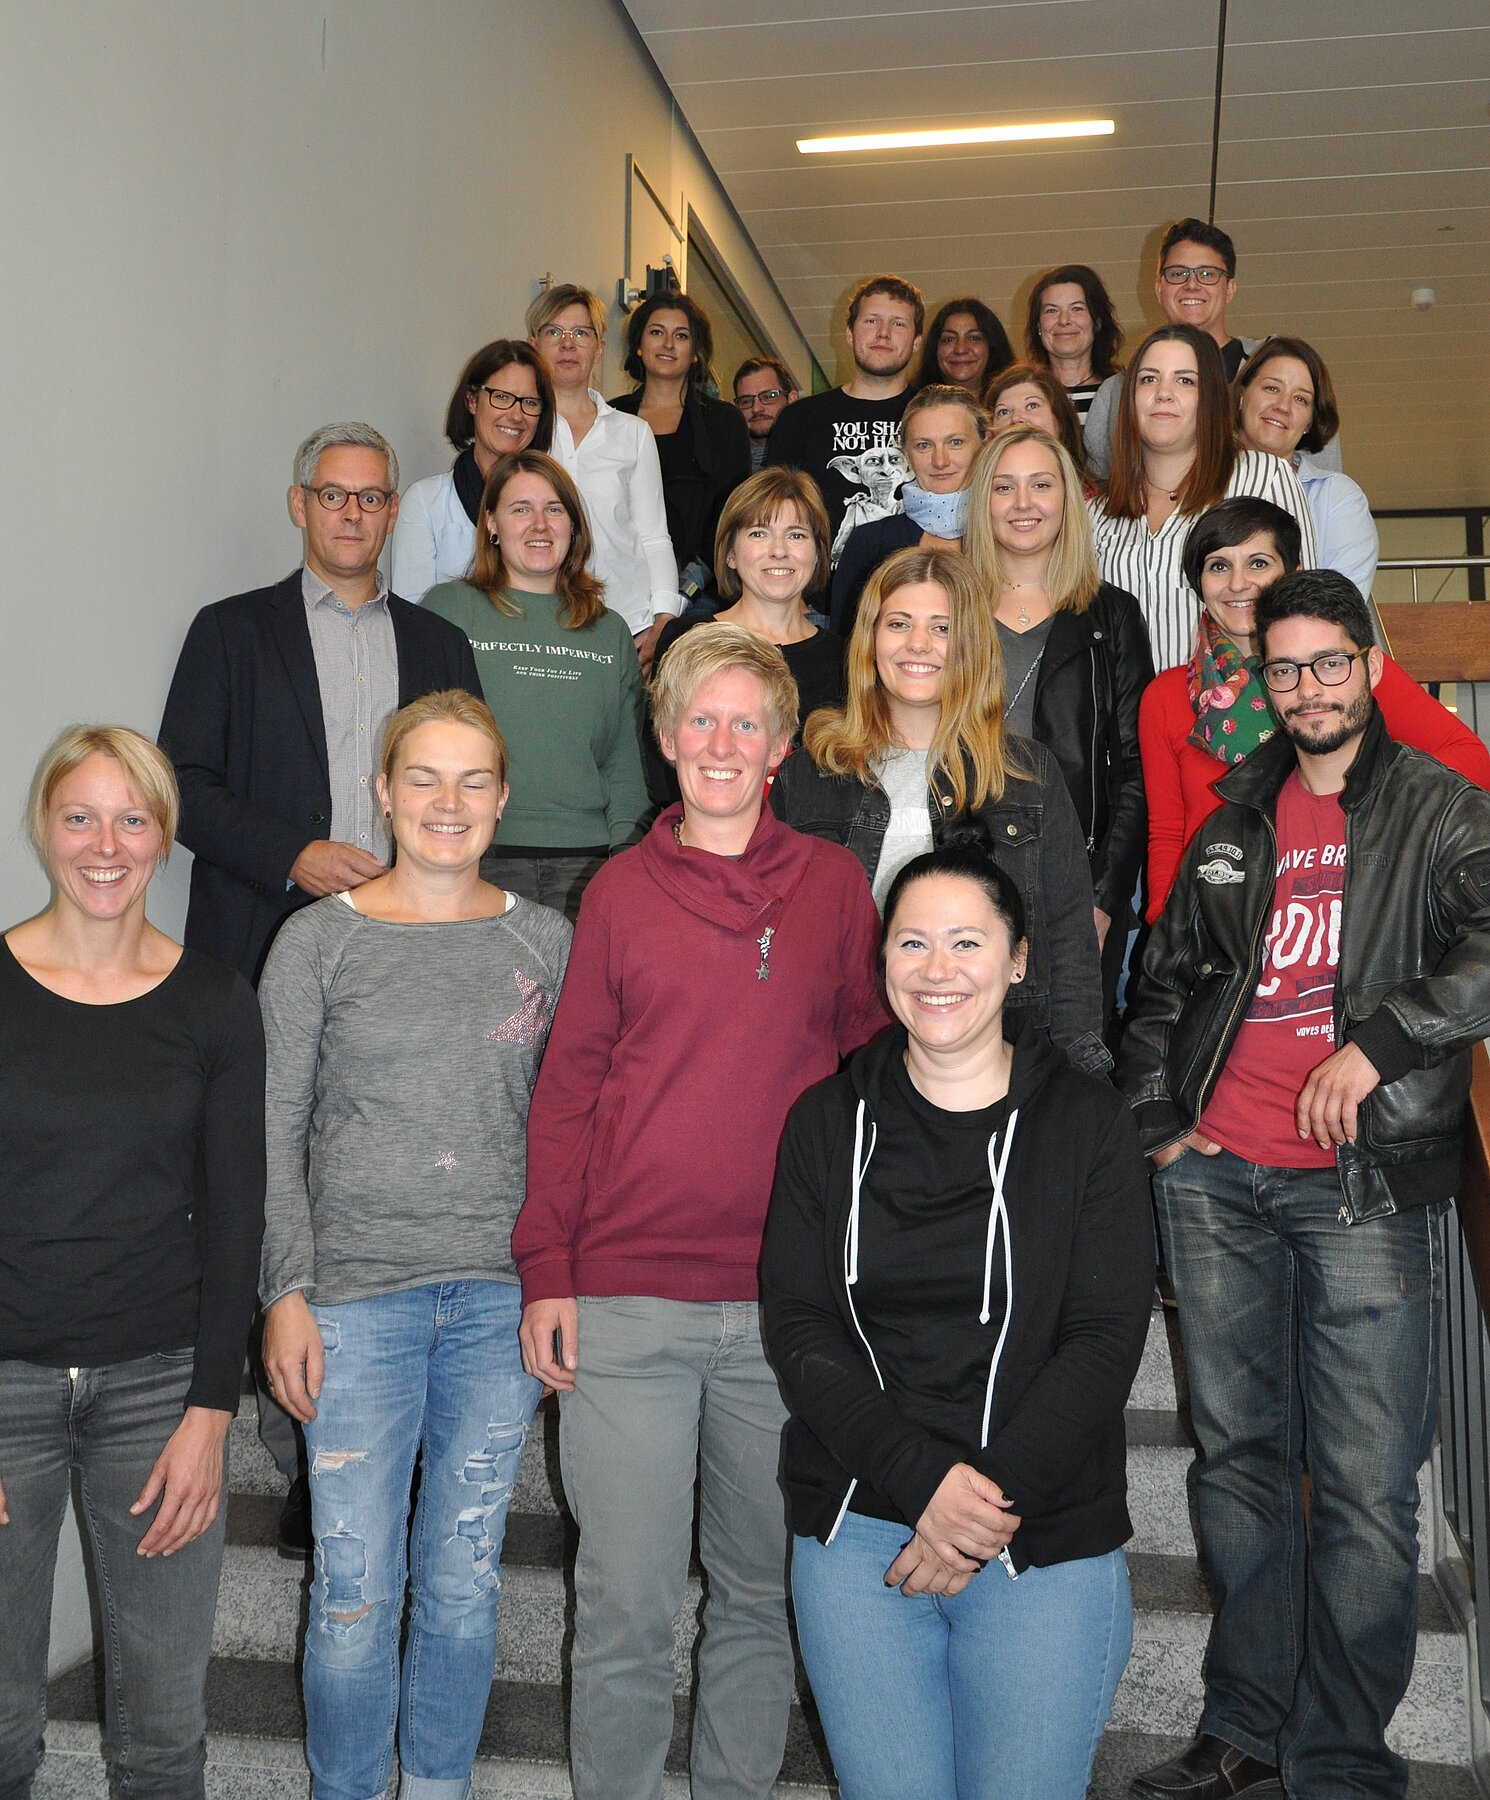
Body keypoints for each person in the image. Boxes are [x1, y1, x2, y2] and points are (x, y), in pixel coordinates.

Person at [1117, 568, 1490, 1800]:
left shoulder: (1439, 807)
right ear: (1263, 682)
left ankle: (1337, 1761)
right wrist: (1162, 1119)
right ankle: (1245, 1727)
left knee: (1369, 1488)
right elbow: (1166, 981)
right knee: (1234, 1464)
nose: (1308, 688)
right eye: (1284, 668)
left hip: (1362, 1186)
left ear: (1370, 665)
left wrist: (1381, 1040)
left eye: (1330, 662)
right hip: (1217, 1182)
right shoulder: (1235, 818)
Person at [513, 625, 887, 1800]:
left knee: (759, 1592)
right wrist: (545, 1270)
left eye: (746, 724)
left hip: (784, 1313)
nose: (721, 744)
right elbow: (569, 1085)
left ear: (779, 747)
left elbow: (873, 1084)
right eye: (699, 722)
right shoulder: (617, 891)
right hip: (625, 1306)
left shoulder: (831, 890)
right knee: (620, 1599)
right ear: (667, 740)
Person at [761, 839, 1154, 1800]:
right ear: (883, 959)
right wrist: (920, 1483)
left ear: (1019, 958)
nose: (939, 971)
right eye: (913, 944)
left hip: (1041, 1532)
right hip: (858, 1532)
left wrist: (974, 1507)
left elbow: (1106, 1341)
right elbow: (802, 1327)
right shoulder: (823, 1119)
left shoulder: (1089, 1123)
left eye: (967, 943)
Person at [158, 421, 480, 1547]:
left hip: (410, 961)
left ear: (396, 512)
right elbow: (182, 789)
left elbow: (466, 795)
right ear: (300, 506)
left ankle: (395, 1443)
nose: (353, 514)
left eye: (374, 497)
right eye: (333, 497)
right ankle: (306, 1449)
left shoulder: (440, 647)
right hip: (265, 942)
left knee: (385, 1184)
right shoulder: (230, 633)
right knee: (280, 1189)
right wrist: (294, 852)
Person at [259, 690, 570, 1800]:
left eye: (473, 780)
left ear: (501, 798)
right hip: (349, 1306)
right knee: (352, 1584)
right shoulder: (313, 944)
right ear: (383, 793)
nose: (449, 802)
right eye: (424, 779)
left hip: (496, 1304)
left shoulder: (544, 940)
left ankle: (436, 1785)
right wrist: (284, 1290)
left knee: (460, 1579)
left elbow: (569, 1125)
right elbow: (271, 1129)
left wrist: (558, 1280)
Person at [0, 727, 265, 1799]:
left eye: (131, 818)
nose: (104, 845)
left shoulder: (215, 1002)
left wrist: (212, 1413)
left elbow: (237, 1217)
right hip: (3, 1388)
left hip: (158, 1395)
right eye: (80, 816)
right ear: (43, 827)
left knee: (159, 1741)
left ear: (163, 837)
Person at [772, 545, 1110, 1074]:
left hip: (998, 1058)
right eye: (899, 623)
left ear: (971, 646)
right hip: (841, 1058)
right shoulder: (811, 772)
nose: (919, 645)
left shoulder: (1027, 774)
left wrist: (1080, 1078)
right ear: (870, 639)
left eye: (943, 628)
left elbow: (1069, 943)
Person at [1139, 497, 1490, 923]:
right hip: (1222, 920)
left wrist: (1362, 805)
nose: (1238, 584)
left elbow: (1469, 759)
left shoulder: (1344, 669)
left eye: (1258, 563)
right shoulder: (1165, 695)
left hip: (1341, 903)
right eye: (1218, 566)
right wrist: (1167, 926)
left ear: (1292, 571)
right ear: (1198, 582)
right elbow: (1167, 835)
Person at [962, 425, 1152, 1012]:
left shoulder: (1113, 614)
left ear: (1067, 499)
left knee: (1069, 1070)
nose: (1023, 504)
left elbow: (1135, 772)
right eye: (1004, 487)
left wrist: (1101, 899)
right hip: (958, 869)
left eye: (1041, 485)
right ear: (981, 502)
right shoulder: (947, 604)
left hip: (1073, 880)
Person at [423, 450, 648, 920]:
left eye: (554, 509)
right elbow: (419, 747)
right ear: (491, 523)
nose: (539, 525)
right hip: (478, 859)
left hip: (590, 866)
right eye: (520, 509)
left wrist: (627, 859)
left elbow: (624, 762)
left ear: (574, 526)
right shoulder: (448, 611)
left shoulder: (609, 631)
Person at [1088, 324, 1317, 672]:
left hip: (1244, 715)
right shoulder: (1095, 515)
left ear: (1210, 396)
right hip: (1129, 721)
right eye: (1149, 379)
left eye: (1185, 380)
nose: (1163, 394)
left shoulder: (1264, 477)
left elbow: (1308, 610)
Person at [1084, 219, 1343, 481]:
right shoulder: (1115, 393)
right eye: (1177, 273)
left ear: (1230, 288)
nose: (1192, 284)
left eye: (1208, 274)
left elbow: (1321, 478)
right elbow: (1106, 490)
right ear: (1159, 288)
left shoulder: (1285, 372)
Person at [647, 469, 844, 802]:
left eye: (796, 535)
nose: (779, 550)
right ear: (730, 554)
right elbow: (662, 763)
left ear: (818, 553)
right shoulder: (686, 639)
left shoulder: (845, 658)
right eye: (759, 533)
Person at [527, 284, 681, 670]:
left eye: (581, 333)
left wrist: (663, 614)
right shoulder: (521, 430)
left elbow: (653, 534)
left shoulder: (633, 433)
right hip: (538, 621)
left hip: (626, 624)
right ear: (533, 344)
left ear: (599, 347)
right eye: (554, 332)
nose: (567, 345)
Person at [765, 274, 924, 563]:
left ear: (916, 341)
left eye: (898, 323)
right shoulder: (800, 418)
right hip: (818, 602)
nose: (884, 332)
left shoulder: (936, 416)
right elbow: (770, 512)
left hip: (915, 596)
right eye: (871, 320)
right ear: (849, 334)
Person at [611, 290, 752, 598]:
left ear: (696, 352)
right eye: (656, 332)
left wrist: (683, 591)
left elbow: (732, 516)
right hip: (614, 584)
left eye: (682, 336)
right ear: (638, 346)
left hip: (701, 593)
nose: (668, 344)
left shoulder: (724, 422)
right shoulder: (609, 417)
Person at [391, 338, 554, 601]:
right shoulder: (425, 502)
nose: (516, 415)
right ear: (472, 401)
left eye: (530, 403)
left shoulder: (561, 501)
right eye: (501, 397)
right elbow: (412, 615)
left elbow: (576, 597)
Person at [831, 384, 992, 638]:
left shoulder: (1008, 537)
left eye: (955, 442)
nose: (940, 460)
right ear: (906, 454)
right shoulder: (869, 542)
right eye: (924, 446)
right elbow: (846, 648)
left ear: (985, 444)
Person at [1234, 335, 1379, 598]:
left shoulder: (1337, 497)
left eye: (1300, 399)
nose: (1282, 406)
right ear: (1242, 396)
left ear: (1310, 422)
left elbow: (1338, 608)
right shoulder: (1196, 485)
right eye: (1271, 388)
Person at [1024, 262, 1124, 420]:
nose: (1064, 320)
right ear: (1038, 326)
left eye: (1077, 309)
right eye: (1051, 311)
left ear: (1097, 321)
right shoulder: (1021, 395)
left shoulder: (1123, 393)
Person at [984, 361, 1100, 497]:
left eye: (1032, 405)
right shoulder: (980, 496)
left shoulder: (1097, 505)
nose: (1016, 418)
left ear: (1060, 420)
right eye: (1003, 412)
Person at [911, 296, 1014, 398]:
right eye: (949, 339)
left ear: (992, 346)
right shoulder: (912, 407)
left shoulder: (1015, 402)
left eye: (974, 338)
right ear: (935, 349)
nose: (960, 349)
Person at [733, 355, 800, 470]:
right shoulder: (724, 465)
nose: (756, 408)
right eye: (746, 401)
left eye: (769, 396)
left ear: (791, 399)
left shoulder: (814, 458)